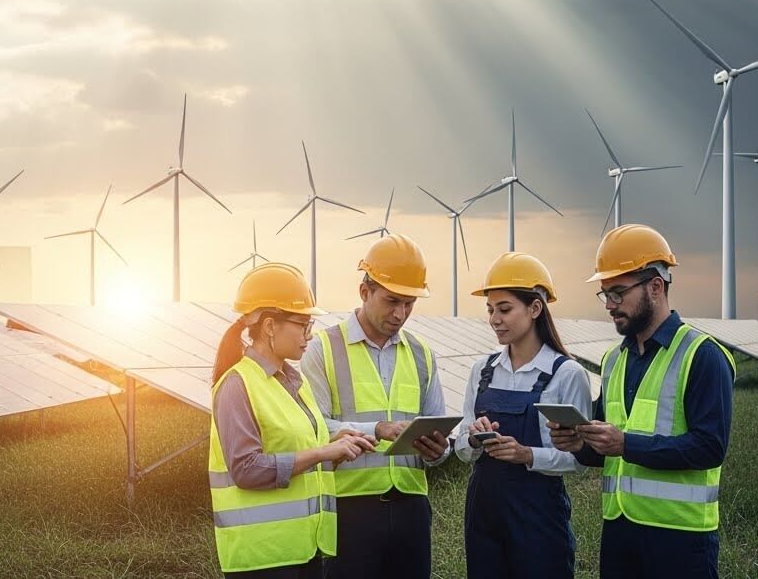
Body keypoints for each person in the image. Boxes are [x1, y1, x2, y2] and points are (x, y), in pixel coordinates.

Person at [550, 224, 736, 579]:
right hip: (620, 532)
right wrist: (579, 444)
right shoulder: (613, 361)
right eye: (604, 294)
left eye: (618, 292)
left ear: (656, 286)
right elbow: (606, 451)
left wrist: (625, 444)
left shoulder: (703, 356)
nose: (609, 305)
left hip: (681, 539)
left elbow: (710, 447)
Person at [210, 262, 377, 578]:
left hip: (304, 551)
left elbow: (304, 454)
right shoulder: (237, 384)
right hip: (263, 558)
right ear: (271, 326)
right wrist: (320, 453)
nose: (309, 336)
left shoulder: (294, 383)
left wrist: (336, 447)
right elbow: (246, 470)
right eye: (302, 325)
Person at [300, 234, 451, 579]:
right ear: (364, 291)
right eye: (392, 301)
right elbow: (313, 429)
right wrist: (377, 431)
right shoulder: (323, 348)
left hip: (412, 507)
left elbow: (439, 429)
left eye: (409, 304)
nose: (400, 314)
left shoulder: (421, 353)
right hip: (349, 507)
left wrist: (439, 450)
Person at [453, 252, 592, 578]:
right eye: (490, 310)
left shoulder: (566, 374)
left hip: (538, 517)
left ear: (535, 308)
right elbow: (461, 448)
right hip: (484, 514)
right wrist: (473, 439)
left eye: (504, 309)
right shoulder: (482, 371)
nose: (494, 319)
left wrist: (526, 454)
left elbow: (579, 459)